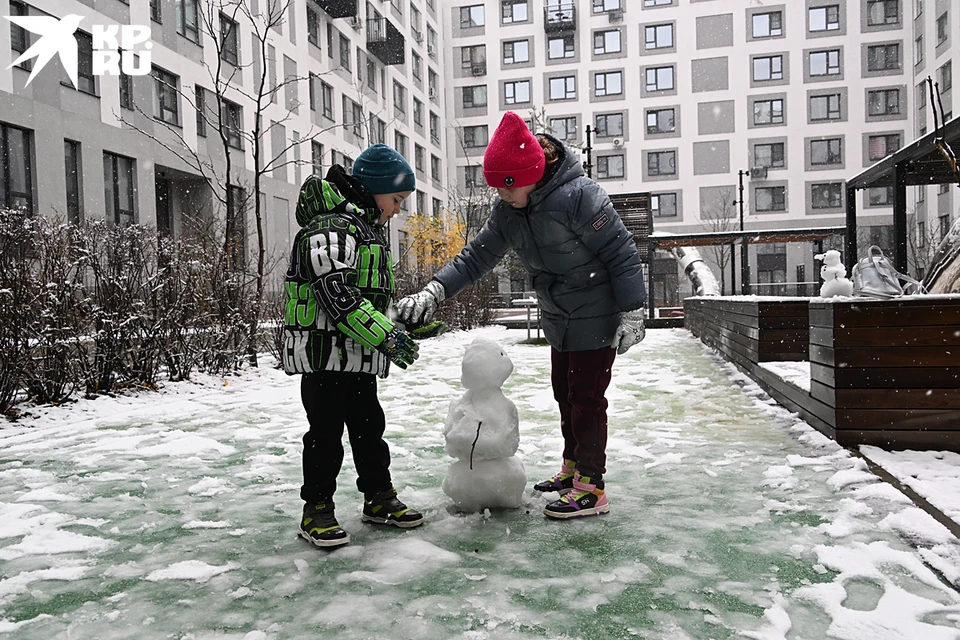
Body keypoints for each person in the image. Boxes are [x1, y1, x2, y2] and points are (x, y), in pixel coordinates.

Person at [396, 112, 646, 520]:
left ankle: (591, 487)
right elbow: (476, 257)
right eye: (497, 186)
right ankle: (572, 468)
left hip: (596, 312)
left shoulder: (580, 197)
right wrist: (435, 290)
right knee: (564, 394)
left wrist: (633, 310)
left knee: (586, 399)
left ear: (530, 174)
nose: (503, 194)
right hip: (560, 316)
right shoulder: (509, 212)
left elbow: (621, 252)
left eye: (508, 185)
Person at [283, 143, 425, 548]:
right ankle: (317, 508)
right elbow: (337, 295)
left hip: (359, 356)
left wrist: (401, 323)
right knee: (325, 434)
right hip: (324, 356)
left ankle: (378, 497)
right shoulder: (330, 229)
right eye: (396, 199)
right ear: (375, 190)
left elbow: (367, 297)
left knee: (369, 430)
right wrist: (385, 336)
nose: (398, 210)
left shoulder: (364, 229)